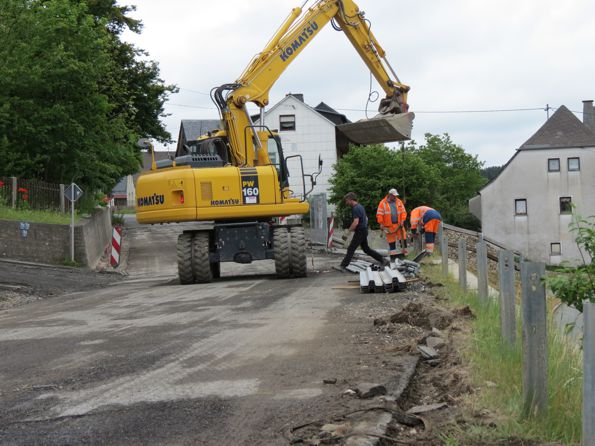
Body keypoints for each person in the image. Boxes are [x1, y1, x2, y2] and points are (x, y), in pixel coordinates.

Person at [339, 192, 388, 271]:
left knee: (351, 249)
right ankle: (382, 260)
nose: (346, 202)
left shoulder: (355, 208)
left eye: (347, 200)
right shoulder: (360, 207)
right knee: (366, 249)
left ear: (351, 199)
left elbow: (355, 222)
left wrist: (348, 232)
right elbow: (366, 218)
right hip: (363, 230)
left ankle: (343, 266)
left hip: (360, 231)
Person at [376, 188, 408, 262]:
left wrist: (403, 220)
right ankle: (393, 257)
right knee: (391, 242)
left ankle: (405, 255)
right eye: (394, 196)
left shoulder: (399, 202)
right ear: (390, 195)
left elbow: (403, 212)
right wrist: (381, 223)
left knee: (403, 239)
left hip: (399, 225)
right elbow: (379, 214)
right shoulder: (382, 203)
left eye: (396, 196)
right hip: (389, 226)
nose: (395, 197)